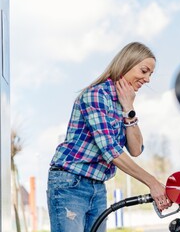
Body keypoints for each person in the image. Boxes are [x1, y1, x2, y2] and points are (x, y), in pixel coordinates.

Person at [47, 42, 172, 232]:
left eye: (150, 74)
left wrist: (129, 109)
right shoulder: (96, 95)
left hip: (97, 186)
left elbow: (136, 149)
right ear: (127, 64)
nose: (147, 79)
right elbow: (110, 151)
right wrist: (153, 183)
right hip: (70, 183)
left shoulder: (123, 103)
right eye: (144, 71)